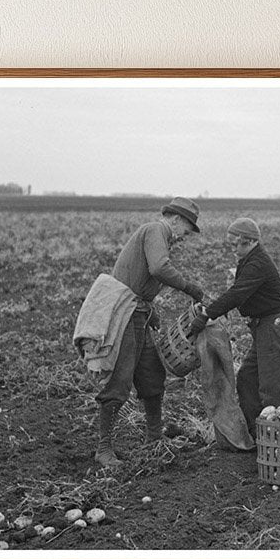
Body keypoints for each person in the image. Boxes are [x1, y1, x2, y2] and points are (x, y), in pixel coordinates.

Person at [91, 197, 206, 469]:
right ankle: (104, 448)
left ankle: (154, 438)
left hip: (138, 312)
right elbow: (158, 268)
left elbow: (140, 278)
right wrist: (190, 288)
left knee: (152, 374)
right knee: (119, 380)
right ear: (177, 220)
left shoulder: (159, 235)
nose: (185, 236)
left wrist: (150, 310)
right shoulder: (157, 230)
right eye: (187, 229)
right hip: (126, 316)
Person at [187, 217, 280, 435]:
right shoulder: (248, 260)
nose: (232, 249)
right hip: (263, 327)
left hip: (274, 327)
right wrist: (218, 310)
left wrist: (207, 314)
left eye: (235, 244)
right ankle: (257, 436)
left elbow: (237, 294)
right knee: (246, 380)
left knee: (274, 390)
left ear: (249, 241)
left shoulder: (257, 263)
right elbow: (239, 293)